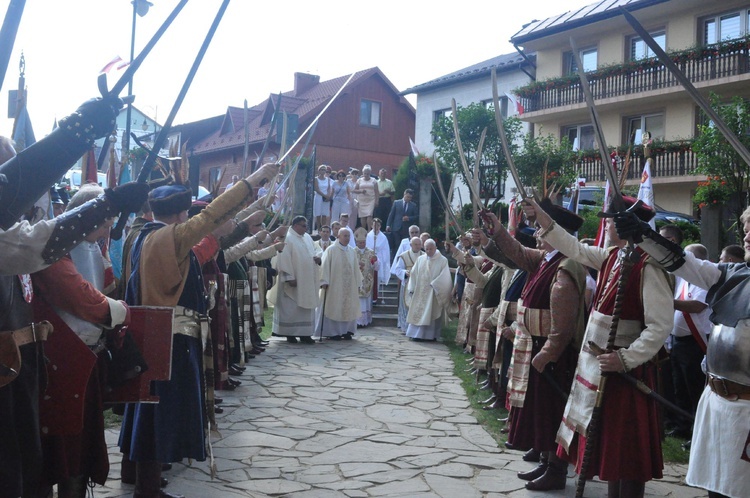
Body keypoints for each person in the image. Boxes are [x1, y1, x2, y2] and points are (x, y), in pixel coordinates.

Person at [0, 95, 147, 498]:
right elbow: (40, 251)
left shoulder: (13, 233)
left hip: (20, 372)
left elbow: (30, 241)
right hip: (13, 373)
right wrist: (76, 135)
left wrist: (107, 201)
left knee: (26, 471)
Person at [118, 163, 278, 498]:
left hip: (156, 335)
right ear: (180, 215)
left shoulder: (145, 237)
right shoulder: (170, 238)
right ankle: (146, 489)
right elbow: (212, 216)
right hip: (171, 339)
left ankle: (138, 477)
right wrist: (254, 180)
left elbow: (215, 224)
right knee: (159, 412)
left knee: (147, 410)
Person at [515, 196, 674, 498]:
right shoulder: (612, 256)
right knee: (610, 447)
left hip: (626, 372)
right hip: (599, 369)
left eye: (611, 220)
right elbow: (573, 247)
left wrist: (626, 359)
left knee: (627, 450)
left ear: (627, 224)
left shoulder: (648, 266)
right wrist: (542, 218)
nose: (606, 225)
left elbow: (660, 326)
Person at [614, 205, 750, 498]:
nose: (747, 234)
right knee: (717, 489)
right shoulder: (733, 275)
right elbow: (686, 264)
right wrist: (643, 235)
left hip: (748, 410)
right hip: (717, 402)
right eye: (746, 226)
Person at [480, 200, 587, 491]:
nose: (538, 232)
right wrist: (497, 229)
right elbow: (516, 251)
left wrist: (550, 351)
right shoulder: (545, 259)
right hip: (537, 346)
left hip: (552, 353)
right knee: (541, 409)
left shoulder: (566, 265)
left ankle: (556, 469)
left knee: (552, 410)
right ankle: (545, 461)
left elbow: (563, 323)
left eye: (543, 228)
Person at [32, 185, 130, 498]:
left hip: (86, 354)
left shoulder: (93, 249)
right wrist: (117, 311)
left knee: (82, 440)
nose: (108, 227)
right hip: (58, 360)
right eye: (103, 220)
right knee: (59, 443)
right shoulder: (53, 248)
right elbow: (79, 296)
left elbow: (107, 287)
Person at [668, 243, 711, 441]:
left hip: (694, 343)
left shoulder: (704, 281)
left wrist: (667, 301)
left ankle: (696, 430)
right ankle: (682, 426)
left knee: (693, 387)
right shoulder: (684, 280)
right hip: (679, 341)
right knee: (679, 387)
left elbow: (697, 306)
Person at [271, 216, 320, 344]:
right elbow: (284, 258)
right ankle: (289, 333)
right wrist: (289, 277)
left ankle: (305, 334)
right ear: (296, 225)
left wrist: (318, 257)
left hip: (307, 280)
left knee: (305, 307)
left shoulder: (307, 237)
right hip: (294, 279)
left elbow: (317, 249)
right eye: (303, 226)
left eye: (306, 225)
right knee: (291, 306)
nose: (306, 228)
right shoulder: (287, 238)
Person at [318, 227, 362, 340]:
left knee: (349, 307)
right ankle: (333, 332)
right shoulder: (331, 250)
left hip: (349, 286)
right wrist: (324, 281)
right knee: (334, 306)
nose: (347, 238)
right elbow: (325, 265)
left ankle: (347, 331)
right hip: (335, 286)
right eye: (345, 236)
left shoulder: (352, 251)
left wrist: (358, 282)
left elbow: (355, 268)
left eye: (348, 236)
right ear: (338, 236)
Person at [405, 239, 452, 342]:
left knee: (431, 313)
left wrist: (436, 285)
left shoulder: (442, 260)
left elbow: (445, 276)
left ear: (435, 248)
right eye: (427, 249)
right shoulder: (421, 259)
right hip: (420, 291)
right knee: (419, 312)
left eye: (431, 248)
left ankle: (430, 336)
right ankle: (415, 334)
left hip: (433, 293)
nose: (429, 251)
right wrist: (412, 288)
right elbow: (414, 273)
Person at [391, 237, 423, 332]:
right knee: (406, 305)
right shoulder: (404, 256)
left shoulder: (424, 255)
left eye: (419, 244)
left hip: (420, 284)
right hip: (407, 284)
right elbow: (397, 269)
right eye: (415, 244)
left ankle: (416, 327)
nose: (417, 246)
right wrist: (405, 272)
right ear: (410, 245)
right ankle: (406, 327)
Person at [354, 227, 377, 328]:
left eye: (363, 242)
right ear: (356, 242)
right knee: (358, 301)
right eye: (359, 243)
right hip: (357, 280)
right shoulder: (352, 252)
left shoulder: (371, 252)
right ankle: (357, 321)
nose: (361, 244)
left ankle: (365, 320)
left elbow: (376, 267)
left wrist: (374, 261)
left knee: (366, 302)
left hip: (367, 279)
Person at [386, 189, 418, 255]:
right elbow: (391, 214)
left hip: (406, 229)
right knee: (396, 245)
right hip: (396, 227)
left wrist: (409, 218)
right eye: (407, 197)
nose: (408, 199)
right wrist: (388, 225)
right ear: (404, 194)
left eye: (410, 197)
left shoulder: (413, 205)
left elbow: (416, 217)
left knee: (405, 245)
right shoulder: (397, 203)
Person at [366, 218, 391, 292]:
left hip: (379, 258)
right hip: (369, 259)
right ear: (371, 226)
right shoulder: (368, 236)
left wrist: (383, 259)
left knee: (377, 279)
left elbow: (386, 250)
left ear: (380, 226)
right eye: (374, 225)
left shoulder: (383, 237)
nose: (376, 227)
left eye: (378, 225)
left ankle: (376, 296)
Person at [353, 165, 379, 231]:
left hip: (371, 200)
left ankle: (369, 230)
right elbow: (354, 190)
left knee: (369, 215)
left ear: (370, 173)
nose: (366, 174)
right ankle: (363, 229)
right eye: (365, 173)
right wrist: (361, 191)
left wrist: (377, 201)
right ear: (362, 173)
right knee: (362, 216)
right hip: (361, 200)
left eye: (367, 173)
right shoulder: (359, 180)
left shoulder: (374, 181)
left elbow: (376, 192)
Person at [313, 165, 333, 231]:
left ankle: (323, 228)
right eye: (321, 169)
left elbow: (329, 188)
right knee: (318, 214)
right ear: (319, 171)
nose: (323, 171)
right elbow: (317, 189)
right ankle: (319, 229)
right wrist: (324, 196)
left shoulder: (328, 179)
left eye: (324, 170)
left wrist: (328, 196)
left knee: (324, 214)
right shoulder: (316, 179)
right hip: (318, 197)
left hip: (326, 199)